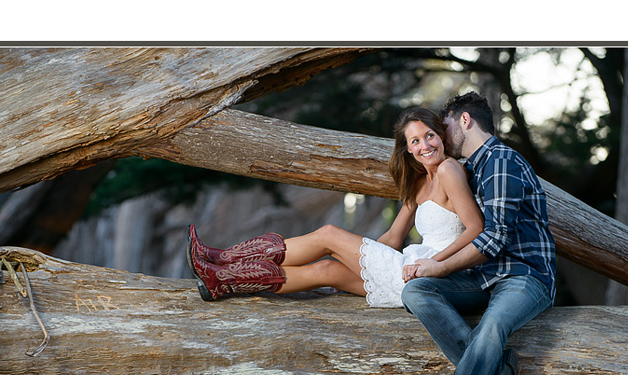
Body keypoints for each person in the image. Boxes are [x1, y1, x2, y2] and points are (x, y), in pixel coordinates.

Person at [187, 108, 485, 308]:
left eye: (430, 136)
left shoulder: (449, 170)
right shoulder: (420, 183)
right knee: (328, 269)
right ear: (408, 149)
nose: (425, 146)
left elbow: (476, 229)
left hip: (433, 276)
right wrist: (359, 257)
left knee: (329, 234)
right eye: (415, 141)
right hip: (410, 269)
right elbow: (393, 240)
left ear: (441, 136)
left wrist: (435, 264)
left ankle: (221, 258)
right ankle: (223, 281)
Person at [401, 92, 557, 375]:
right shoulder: (468, 168)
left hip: (525, 276)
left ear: (466, 121)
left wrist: (438, 265)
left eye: (447, 125)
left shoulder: (500, 160)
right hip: (486, 277)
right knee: (417, 292)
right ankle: (497, 366)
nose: (442, 133)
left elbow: (495, 237)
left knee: (492, 325)